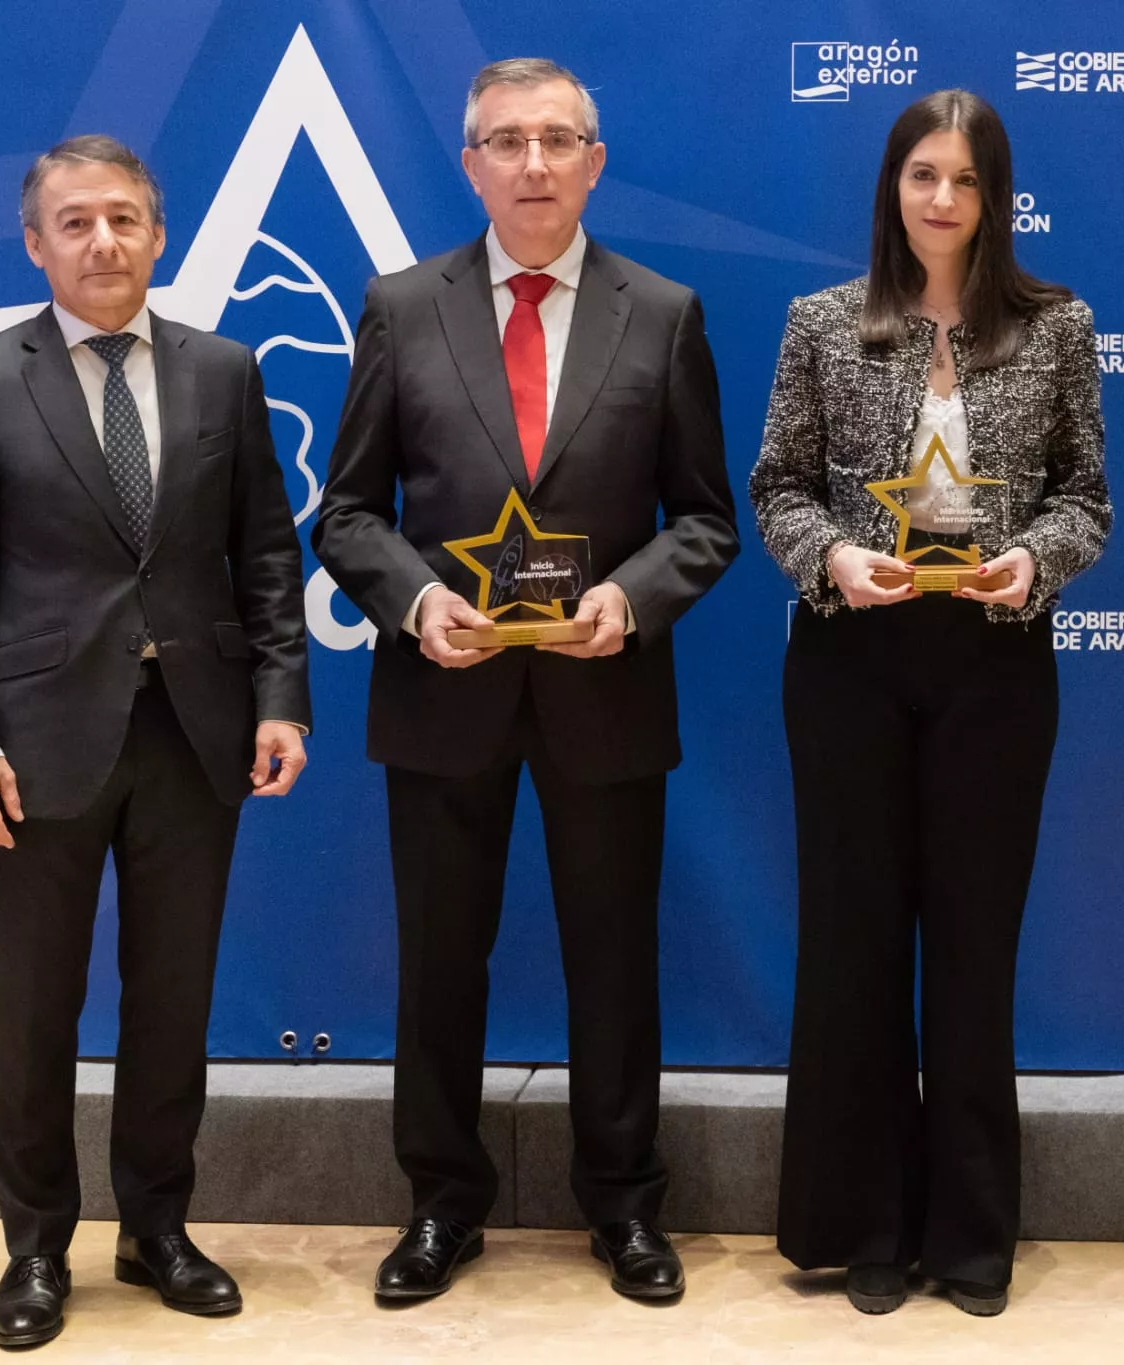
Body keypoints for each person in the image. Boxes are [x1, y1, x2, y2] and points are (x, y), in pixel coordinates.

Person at [313, 58, 737, 1302]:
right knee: (440, 965)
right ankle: (441, 1205)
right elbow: (346, 513)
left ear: (594, 162)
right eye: (507, 141)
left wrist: (631, 600)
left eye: (558, 140)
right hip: (443, 692)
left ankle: (625, 1205)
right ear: (471, 166)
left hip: (603, 692)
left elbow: (705, 519)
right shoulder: (401, 307)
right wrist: (414, 601)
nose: (534, 164)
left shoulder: (664, 313)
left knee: (615, 963)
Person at [0, 135, 310, 1348]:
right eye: (76, 222)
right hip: (35, 749)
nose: (103, 241)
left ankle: (156, 1231)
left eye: (125, 219)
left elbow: (264, 554)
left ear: (158, 235)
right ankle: (36, 1249)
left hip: (194, 734)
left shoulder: (224, 372)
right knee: (35, 1009)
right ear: (36, 244)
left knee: (172, 1001)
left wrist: (282, 699)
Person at [749, 87, 1110, 1318]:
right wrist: (833, 560)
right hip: (849, 661)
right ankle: (864, 1227)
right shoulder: (819, 323)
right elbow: (777, 488)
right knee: (852, 947)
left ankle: (968, 1235)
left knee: (971, 950)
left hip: (994, 665)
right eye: (921, 176)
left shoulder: (1057, 327)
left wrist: (1035, 562)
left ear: (994, 195)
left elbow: (1087, 500)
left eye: (964, 178)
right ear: (891, 189)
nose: (942, 198)